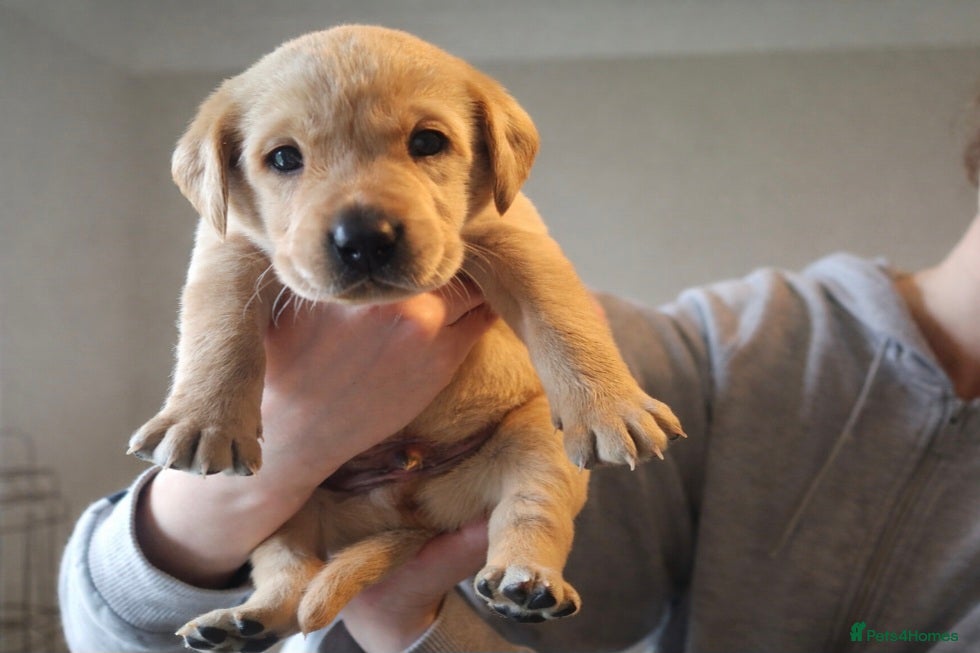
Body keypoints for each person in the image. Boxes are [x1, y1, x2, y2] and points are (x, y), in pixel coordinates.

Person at [60, 122, 980, 653]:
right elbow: (107, 637)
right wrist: (282, 458)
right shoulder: (722, 354)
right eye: (288, 158)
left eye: (425, 143)